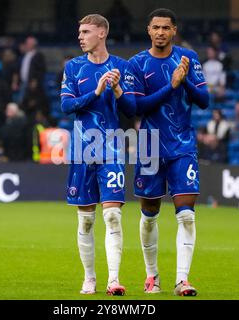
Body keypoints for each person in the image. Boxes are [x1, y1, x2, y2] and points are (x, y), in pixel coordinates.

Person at [128, 8, 209, 296]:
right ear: (148, 30)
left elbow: (204, 101)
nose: (160, 32)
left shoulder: (188, 59)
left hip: (182, 144)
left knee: (186, 215)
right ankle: (152, 276)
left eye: (166, 27)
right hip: (150, 145)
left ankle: (182, 280)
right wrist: (172, 84)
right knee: (149, 214)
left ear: (174, 30)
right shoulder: (136, 63)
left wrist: (185, 79)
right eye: (156, 27)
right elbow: (136, 107)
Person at [60, 14, 136, 296]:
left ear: (102, 33)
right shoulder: (73, 67)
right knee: (86, 220)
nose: (80, 37)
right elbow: (67, 106)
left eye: (86, 32)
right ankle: (89, 277)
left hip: (112, 149)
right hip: (82, 150)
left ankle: (113, 280)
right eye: (79, 32)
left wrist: (116, 89)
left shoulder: (121, 67)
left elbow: (131, 109)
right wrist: (97, 91)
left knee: (113, 216)